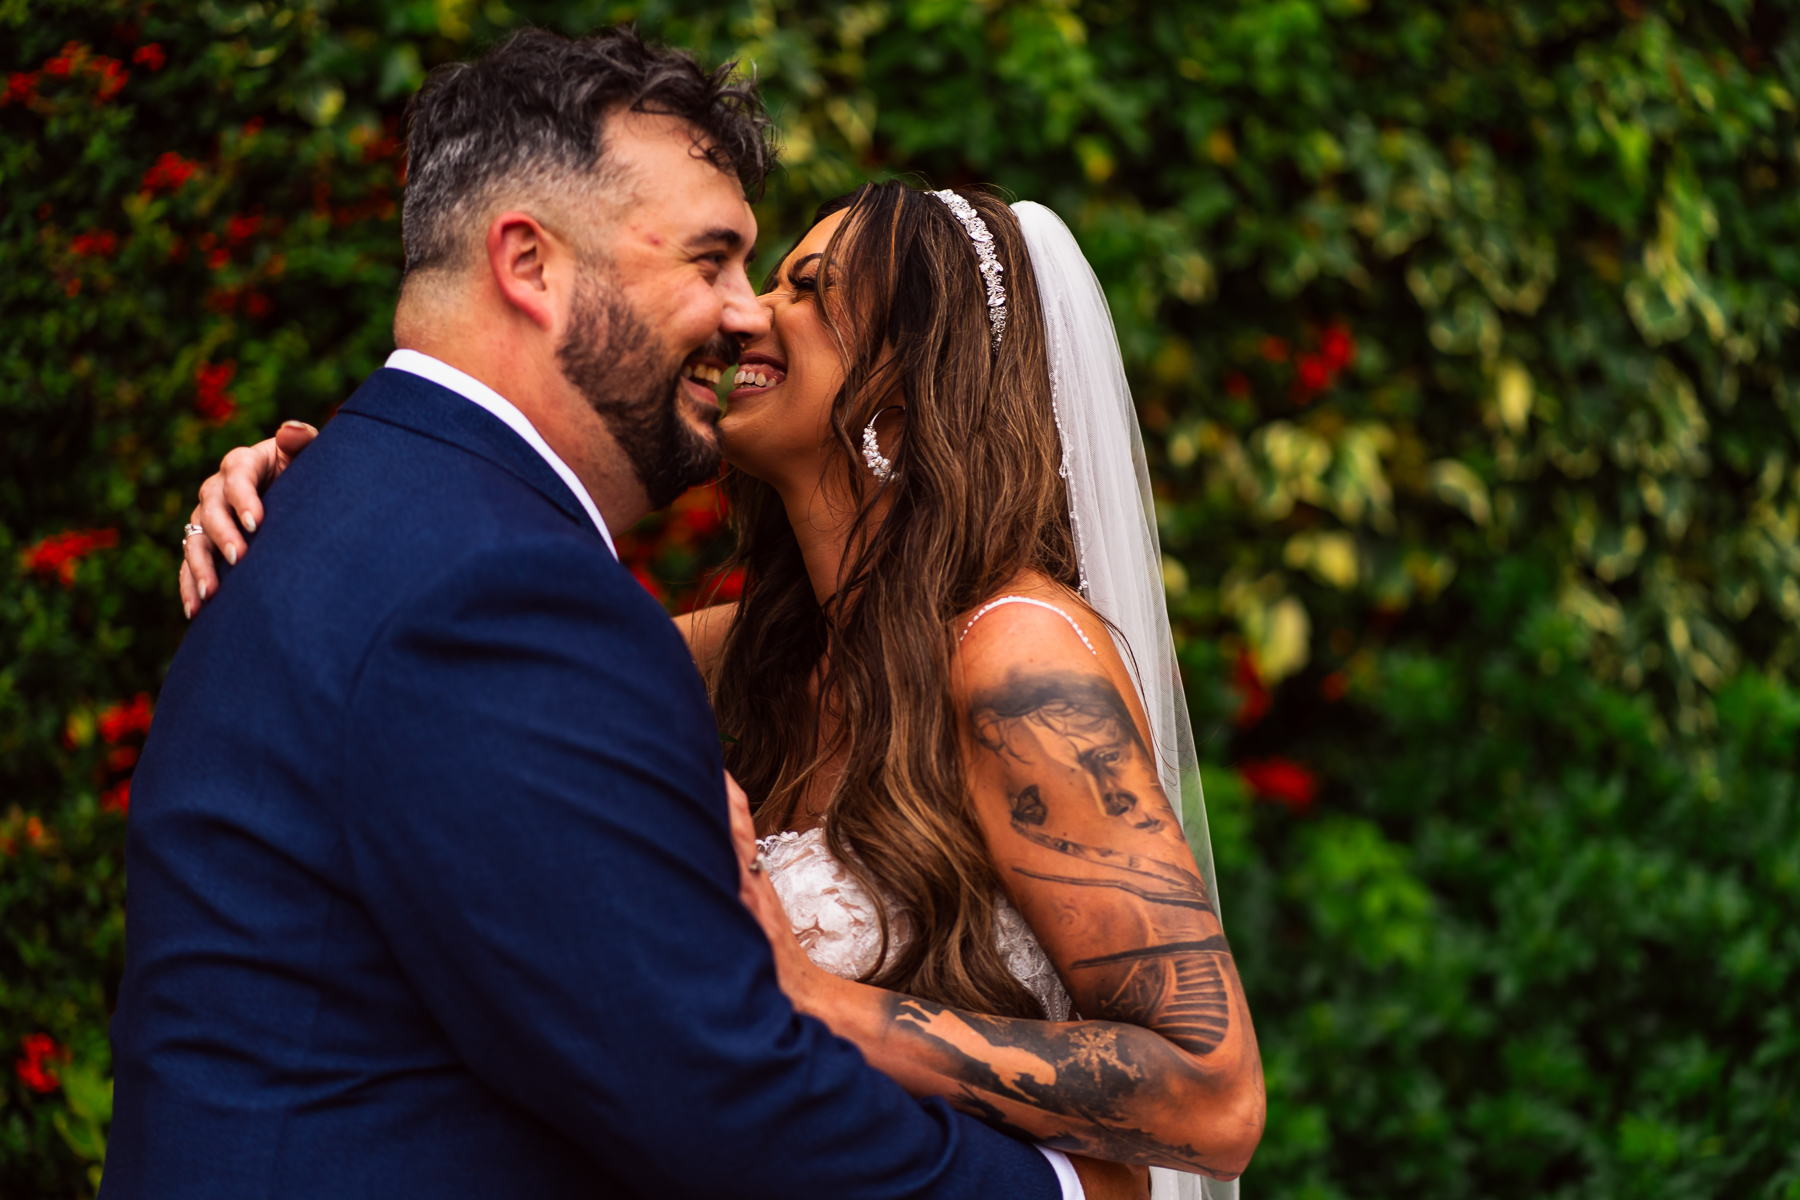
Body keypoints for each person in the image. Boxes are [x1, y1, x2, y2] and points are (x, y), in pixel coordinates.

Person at [111, 28, 1122, 1200]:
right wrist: (1055, 1191)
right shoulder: (494, 591)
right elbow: (706, 1086)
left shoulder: (366, 510)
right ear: (530, 265)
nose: (747, 317)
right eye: (714, 261)